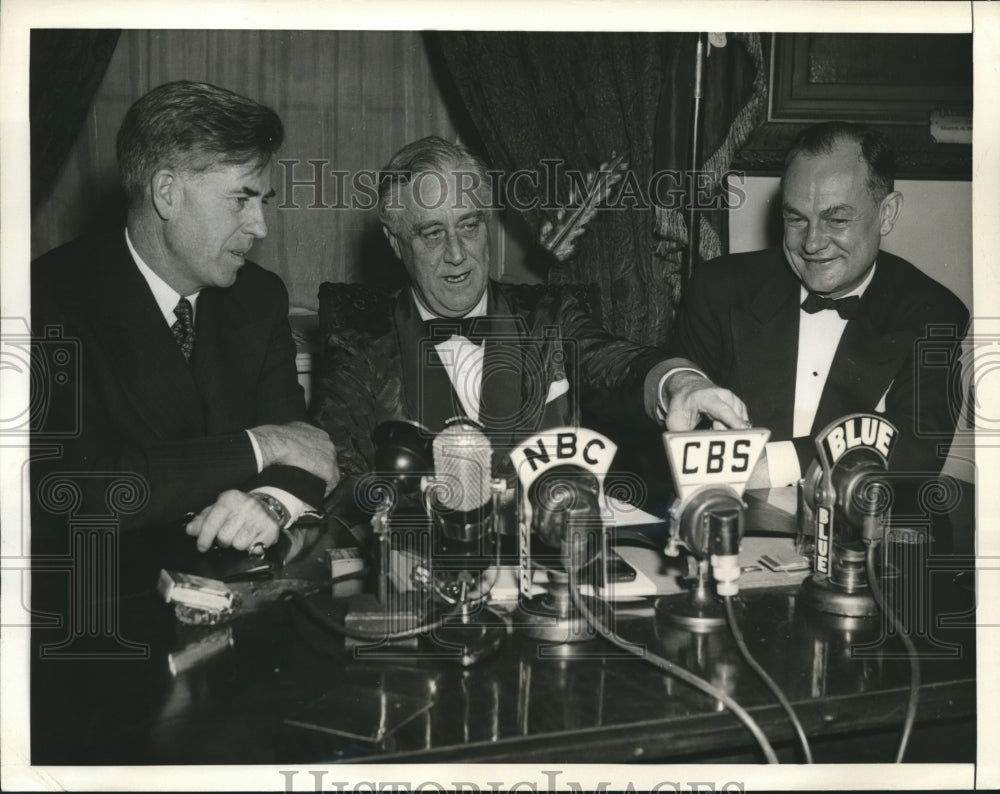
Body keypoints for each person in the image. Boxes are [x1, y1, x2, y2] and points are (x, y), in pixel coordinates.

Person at [311, 135, 745, 501]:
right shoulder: (358, 347)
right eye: (432, 233)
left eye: (469, 226)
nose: (457, 253)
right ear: (395, 241)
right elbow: (337, 480)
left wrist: (680, 384)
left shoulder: (549, 318)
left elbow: (618, 365)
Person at [31, 80, 338, 559]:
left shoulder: (259, 296)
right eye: (241, 199)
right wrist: (260, 445)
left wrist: (271, 504)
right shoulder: (46, 298)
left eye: (264, 201)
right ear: (167, 194)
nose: (260, 226)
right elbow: (76, 493)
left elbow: (303, 448)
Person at [670, 121, 969, 488]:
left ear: (886, 214)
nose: (811, 243)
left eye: (837, 219)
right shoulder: (718, 287)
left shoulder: (933, 311)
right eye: (796, 219)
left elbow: (917, 456)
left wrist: (779, 462)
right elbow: (679, 432)